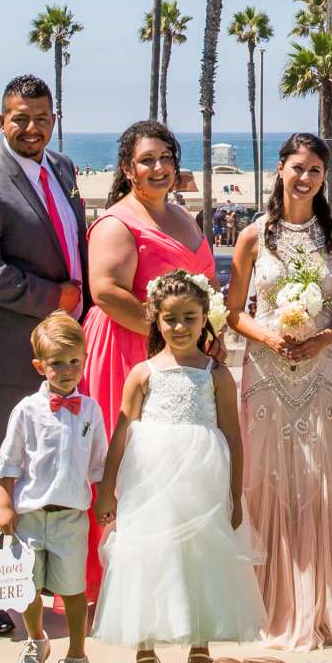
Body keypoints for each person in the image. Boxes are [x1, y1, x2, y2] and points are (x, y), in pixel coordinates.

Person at [0, 75, 87, 635]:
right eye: (19, 118)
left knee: (42, 470)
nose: (31, 127)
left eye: (41, 117)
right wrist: (53, 297)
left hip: (53, 352)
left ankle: (33, 580)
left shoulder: (63, 169)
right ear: (1, 121)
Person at [94, 269, 263, 663]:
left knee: (199, 559)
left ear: (205, 317)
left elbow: (233, 437)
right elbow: (121, 433)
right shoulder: (143, 373)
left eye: (190, 317)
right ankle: (145, 652)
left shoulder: (216, 374)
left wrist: (234, 495)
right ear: (155, 318)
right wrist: (107, 487)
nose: (180, 327)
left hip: (202, 483)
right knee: (152, 558)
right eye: (170, 318)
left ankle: (200, 650)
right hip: (150, 482)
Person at [225, 131, 332, 648]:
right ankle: (263, 595)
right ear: (280, 169)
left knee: (316, 474)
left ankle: (321, 595)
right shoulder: (253, 235)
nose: (305, 178)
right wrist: (270, 337)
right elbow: (235, 311)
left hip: (319, 368)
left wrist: (318, 340)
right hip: (264, 370)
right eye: (297, 167)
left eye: (315, 171)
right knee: (265, 476)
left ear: (325, 179)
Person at [81, 118, 215, 598]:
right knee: (131, 466)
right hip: (127, 354)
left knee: (175, 472)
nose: (158, 168)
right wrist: (165, 338)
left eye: (165, 158)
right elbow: (104, 292)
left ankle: (173, 583)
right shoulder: (117, 222)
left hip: (182, 355)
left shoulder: (181, 215)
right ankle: (119, 589)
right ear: (127, 168)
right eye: (146, 160)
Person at [0, 311, 105, 663]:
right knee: (27, 587)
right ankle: (36, 642)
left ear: (85, 359)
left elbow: (99, 465)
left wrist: (106, 503)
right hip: (29, 517)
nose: (67, 370)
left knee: (73, 590)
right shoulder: (27, 410)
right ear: (40, 366)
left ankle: (76, 656)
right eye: (57, 363)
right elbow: (10, 460)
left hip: (72, 518)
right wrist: (6, 504)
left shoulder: (91, 410)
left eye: (74, 361)